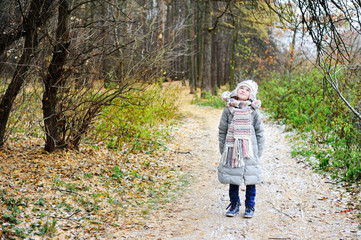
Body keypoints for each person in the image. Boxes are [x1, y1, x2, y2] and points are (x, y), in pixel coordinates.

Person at [218, 80, 265, 218]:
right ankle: (234, 204)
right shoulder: (228, 109)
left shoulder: (253, 111)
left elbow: (259, 132)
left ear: (251, 95)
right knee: (234, 178)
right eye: (241, 88)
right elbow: (222, 130)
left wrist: (258, 152)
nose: (243, 90)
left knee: (251, 179)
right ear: (236, 91)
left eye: (247, 89)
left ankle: (250, 206)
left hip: (250, 150)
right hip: (232, 149)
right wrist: (223, 149)